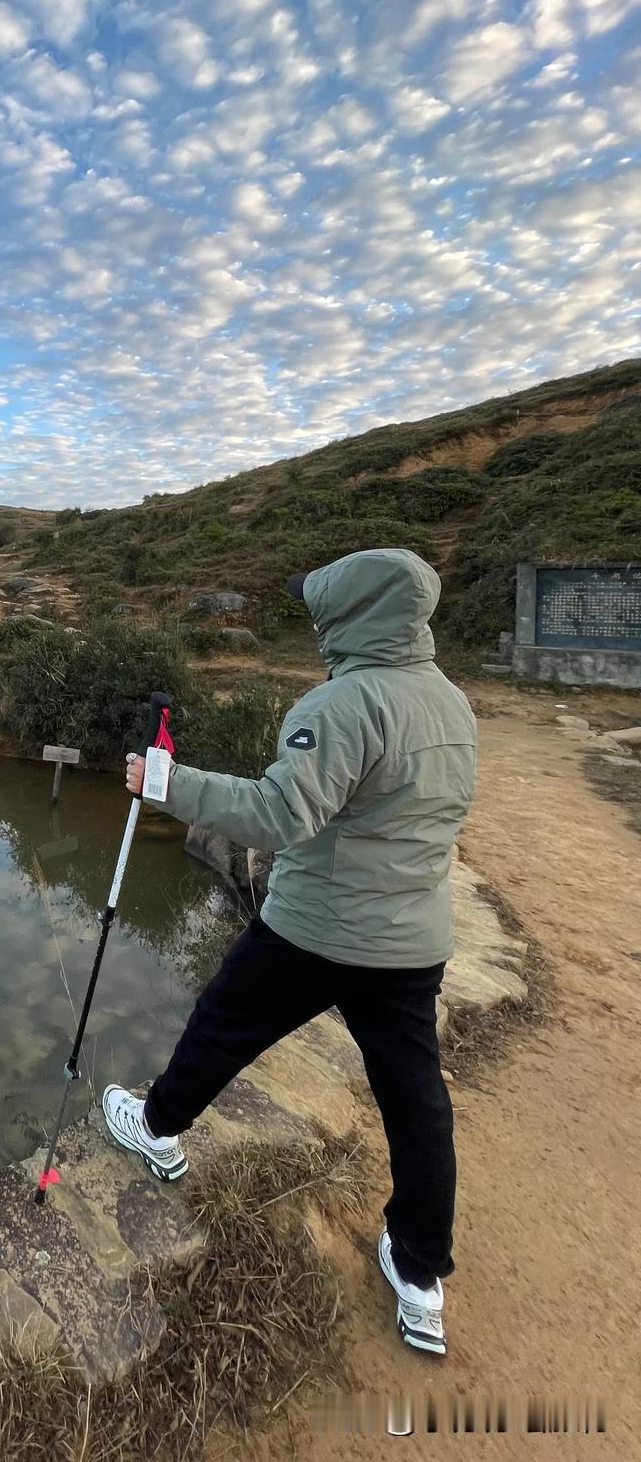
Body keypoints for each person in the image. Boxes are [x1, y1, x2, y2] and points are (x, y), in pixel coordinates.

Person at [102, 547, 477, 1356]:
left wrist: (167, 784)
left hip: (318, 930)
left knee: (221, 1025)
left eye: (321, 606)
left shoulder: (342, 703)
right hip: (412, 942)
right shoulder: (452, 703)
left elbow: (279, 815)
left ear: (351, 613)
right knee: (416, 1101)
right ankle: (420, 1275)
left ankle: (156, 1127)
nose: (313, 621)